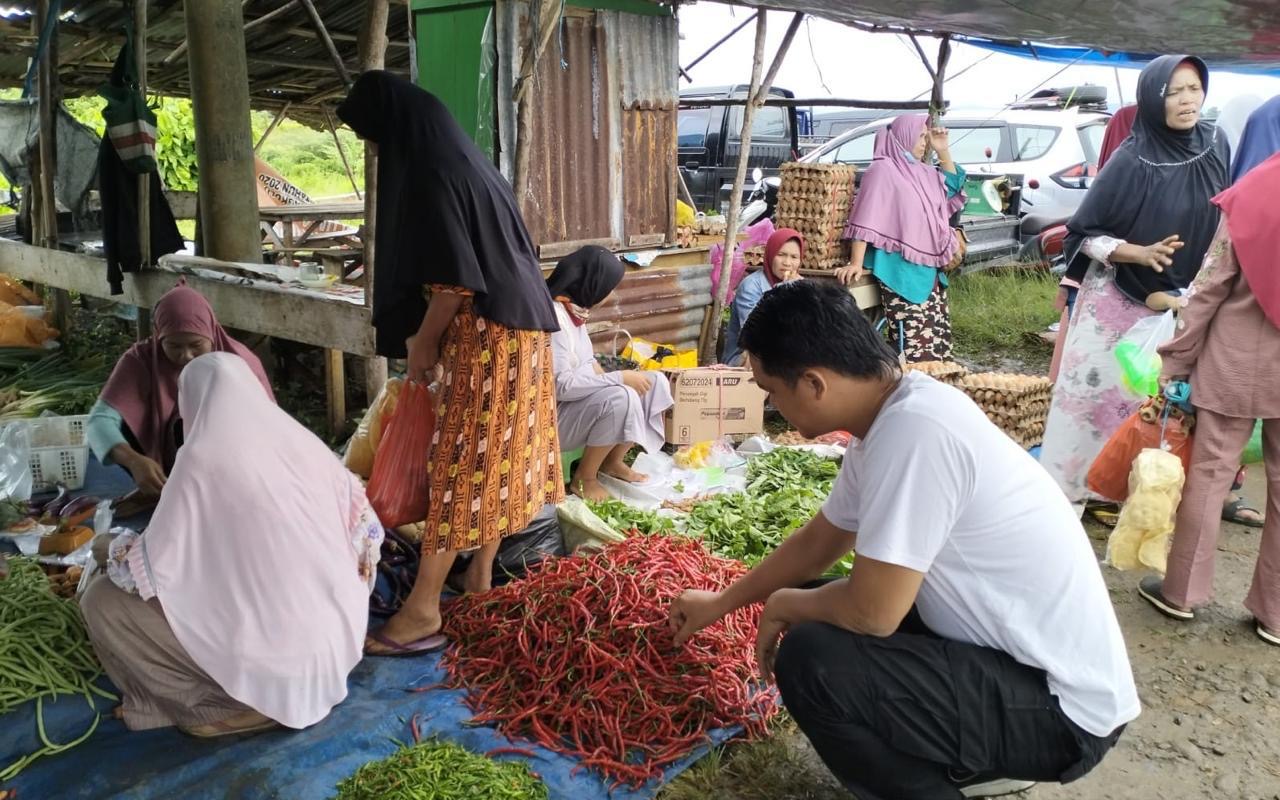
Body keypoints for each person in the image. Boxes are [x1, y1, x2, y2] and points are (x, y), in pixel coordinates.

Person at [667, 281, 1138, 799]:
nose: (770, 402)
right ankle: (969, 758)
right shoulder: (895, 414)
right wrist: (722, 603)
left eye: (771, 390)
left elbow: (874, 613)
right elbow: (823, 539)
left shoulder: (915, 433)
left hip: (1062, 712)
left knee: (812, 657)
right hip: (1020, 668)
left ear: (814, 384)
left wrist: (782, 605)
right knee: (823, 599)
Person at [337, 71, 563, 655]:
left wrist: (422, 342)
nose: (379, 152)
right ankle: (480, 577)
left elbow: (455, 282)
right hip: (526, 338)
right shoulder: (472, 164)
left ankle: (421, 611)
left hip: (487, 340)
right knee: (500, 460)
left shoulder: (433, 173)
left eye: (377, 139)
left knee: (461, 464)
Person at [81, 353, 383, 736]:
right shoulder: (309, 446)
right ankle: (281, 686)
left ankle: (225, 707)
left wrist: (107, 547)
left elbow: (148, 571)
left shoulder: (201, 461)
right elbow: (369, 535)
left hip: (276, 664)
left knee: (103, 602)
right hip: (330, 656)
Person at [1039, 55, 1229, 512]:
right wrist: (1138, 253)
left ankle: (1125, 498)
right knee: (1092, 404)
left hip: (1178, 301)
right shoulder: (1131, 159)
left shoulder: (1215, 141)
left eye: (1194, 89)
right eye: (1174, 91)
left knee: (1147, 409)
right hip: (1115, 307)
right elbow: (1081, 235)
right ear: (1152, 97)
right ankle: (1066, 502)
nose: (1187, 100)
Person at [1137, 146, 1280, 645]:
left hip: (1235, 364)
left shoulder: (1256, 193)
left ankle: (1181, 592)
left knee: (1211, 474)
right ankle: (1276, 615)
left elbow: (1208, 288)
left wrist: (1176, 359)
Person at [86, 284, 275, 498]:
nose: (186, 356)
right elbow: (98, 422)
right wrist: (133, 460)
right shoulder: (141, 359)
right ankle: (161, 487)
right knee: (125, 424)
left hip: (230, 460)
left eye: (196, 345)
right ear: (159, 337)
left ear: (211, 334)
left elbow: (269, 426)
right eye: (174, 346)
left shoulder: (238, 361)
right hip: (166, 463)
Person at [834, 114, 967, 363]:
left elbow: (951, 186)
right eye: (920, 137)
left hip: (931, 275)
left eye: (925, 138)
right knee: (914, 351)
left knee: (939, 348)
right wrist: (856, 262)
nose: (923, 143)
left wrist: (943, 151)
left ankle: (934, 398)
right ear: (903, 137)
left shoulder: (922, 172)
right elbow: (866, 218)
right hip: (901, 274)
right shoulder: (882, 170)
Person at [547, 245, 674, 501]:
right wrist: (617, 379)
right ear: (591, 285)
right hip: (553, 417)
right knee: (622, 395)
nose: (611, 294)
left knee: (654, 381)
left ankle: (612, 461)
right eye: (609, 287)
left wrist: (611, 378)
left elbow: (588, 362)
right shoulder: (554, 320)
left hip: (577, 404)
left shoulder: (575, 310)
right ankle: (584, 477)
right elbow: (560, 386)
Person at [721, 228, 805, 366]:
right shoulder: (751, 286)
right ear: (770, 255)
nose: (787, 262)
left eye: (794, 257)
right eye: (781, 254)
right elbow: (755, 335)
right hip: (745, 357)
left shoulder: (799, 284)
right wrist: (783, 292)